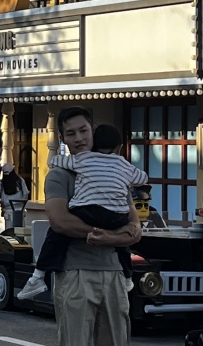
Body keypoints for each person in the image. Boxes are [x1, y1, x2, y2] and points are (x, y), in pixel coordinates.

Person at [43, 107, 142, 346]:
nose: (79, 138)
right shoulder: (60, 174)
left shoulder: (112, 168)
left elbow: (134, 223)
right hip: (74, 273)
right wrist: (99, 236)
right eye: (71, 134)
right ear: (63, 139)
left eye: (84, 130)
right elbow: (59, 219)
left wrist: (115, 236)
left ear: (93, 130)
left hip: (114, 273)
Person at [19, 124, 146, 300]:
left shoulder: (84, 160)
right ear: (120, 147)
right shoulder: (123, 164)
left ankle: (38, 275)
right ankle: (127, 277)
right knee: (122, 245)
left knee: (56, 233)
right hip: (117, 215)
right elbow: (142, 178)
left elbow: (56, 161)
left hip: (89, 211)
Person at [0, 163, 30, 232]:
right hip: (20, 210)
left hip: (8, 211)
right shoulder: (20, 181)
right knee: (20, 232)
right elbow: (25, 194)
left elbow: (1, 197)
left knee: (9, 232)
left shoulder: (2, 183)